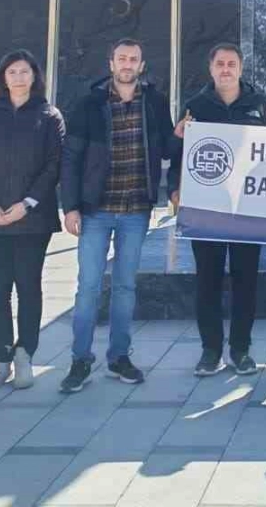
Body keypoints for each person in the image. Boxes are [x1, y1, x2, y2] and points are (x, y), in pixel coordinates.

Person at [59, 38, 179, 393]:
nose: (127, 64)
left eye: (134, 59)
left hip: (136, 210)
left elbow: (166, 149)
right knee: (88, 287)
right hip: (95, 210)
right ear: (111, 63)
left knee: (125, 287)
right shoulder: (89, 103)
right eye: (122, 58)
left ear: (142, 65)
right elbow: (71, 158)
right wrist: (70, 206)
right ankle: (80, 359)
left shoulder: (154, 102)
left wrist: (179, 136)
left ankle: (119, 357)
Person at [0, 49, 64, 390]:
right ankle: (1, 358)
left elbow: (54, 164)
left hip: (32, 219)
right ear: (2, 78)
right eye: (12, 72)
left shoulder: (49, 116)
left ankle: (25, 355)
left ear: (34, 77)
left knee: (28, 286)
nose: (18, 78)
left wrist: (27, 203)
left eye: (24, 72)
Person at [176, 42, 266, 377]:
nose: (226, 69)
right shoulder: (196, 104)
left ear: (241, 68)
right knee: (208, 280)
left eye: (232, 64)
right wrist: (175, 189)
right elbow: (180, 152)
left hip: (248, 207)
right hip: (207, 208)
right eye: (220, 64)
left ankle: (240, 350)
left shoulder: (259, 103)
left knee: (246, 281)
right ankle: (211, 351)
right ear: (211, 68)